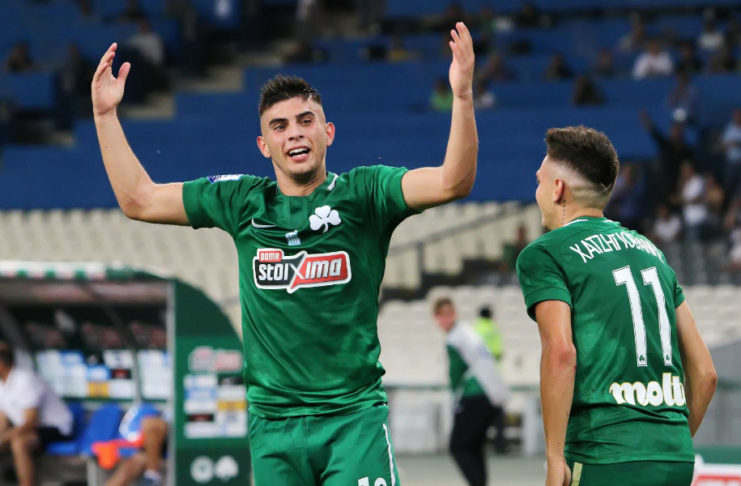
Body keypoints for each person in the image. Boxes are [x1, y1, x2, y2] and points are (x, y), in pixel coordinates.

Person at [91, 21, 478, 486]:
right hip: (274, 430)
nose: (294, 133)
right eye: (280, 126)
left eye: (305, 121)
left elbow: (453, 181)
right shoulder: (242, 201)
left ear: (328, 132)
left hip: (351, 420)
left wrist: (461, 96)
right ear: (264, 145)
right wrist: (105, 116)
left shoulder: (366, 194)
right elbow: (140, 200)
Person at [516, 126, 717, 486]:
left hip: (604, 455)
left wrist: (554, 458)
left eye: (540, 181)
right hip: (674, 457)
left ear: (558, 189)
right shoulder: (653, 253)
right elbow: (705, 374)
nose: (538, 191)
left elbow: (561, 352)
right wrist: (667, 446)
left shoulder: (546, 253)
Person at [433, 298, 508, 486]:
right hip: (492, 395)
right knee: (474, 446)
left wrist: (454, 399)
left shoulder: (454, 338)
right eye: (442, 315)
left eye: (448, 313)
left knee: (458, 446)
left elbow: (456, 372)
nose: (445, 318)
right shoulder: (468, 332)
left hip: (475, 395)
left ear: (454, 314)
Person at [0, 342, 73, 486]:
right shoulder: (2, 384)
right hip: (30, 429)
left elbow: (30, 422)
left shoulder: (24, 379)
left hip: (56, 429)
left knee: (19, 443)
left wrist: (4, 437)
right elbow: (3, 421)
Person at [103, 413, 168, 486]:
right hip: (139, 453)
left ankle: (152, 475)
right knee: (131, 466)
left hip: (163, 446)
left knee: (150, 424)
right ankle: (151, 476)